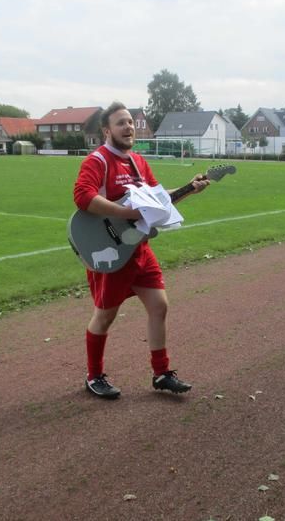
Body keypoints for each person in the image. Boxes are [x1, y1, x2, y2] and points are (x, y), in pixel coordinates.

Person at [73, 101, 210, 399]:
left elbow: (158, 201)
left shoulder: (137, 162)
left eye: (131, 122)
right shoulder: (98, 161)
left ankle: (161, 373)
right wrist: (127, 215)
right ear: (107, 130)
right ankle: (94, 376)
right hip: (112, 249)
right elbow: (83, 197)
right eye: (121, 123)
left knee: (159, 306)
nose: (129, 127)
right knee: (104, 316)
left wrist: (189, 187)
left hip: (139, 249)